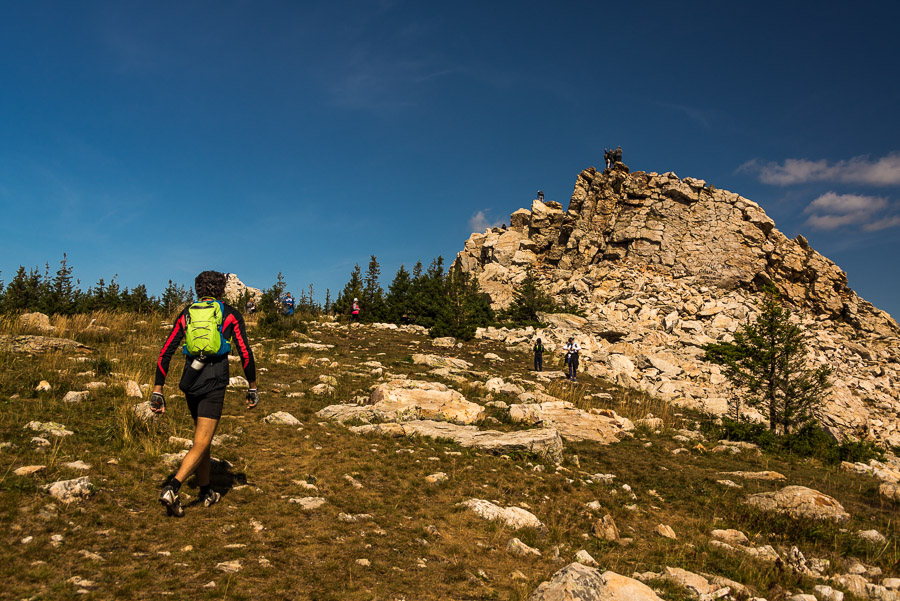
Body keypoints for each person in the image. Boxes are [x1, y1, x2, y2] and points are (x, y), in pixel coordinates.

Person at [151, 270, 258, 517]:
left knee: (202, 438)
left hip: (191, 379)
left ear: (198, 289)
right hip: (214, 379)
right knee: (202, 440)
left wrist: (158, 389)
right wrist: (252, 386)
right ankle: (173, 487)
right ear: (221, 289)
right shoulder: (230, 314)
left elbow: (166, 351)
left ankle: (206, 490)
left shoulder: (187, 313)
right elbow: (244, 350)